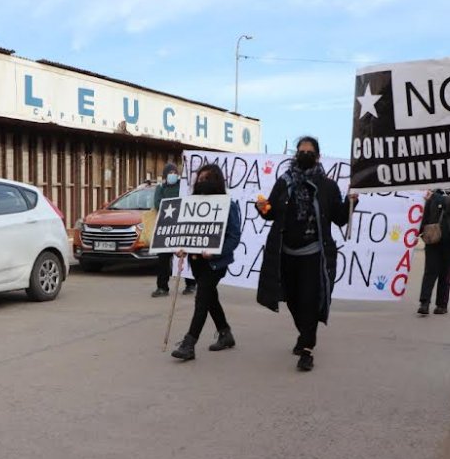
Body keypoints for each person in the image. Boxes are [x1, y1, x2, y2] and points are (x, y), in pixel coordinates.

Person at [255, 136, 357, 372]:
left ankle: (308, 348)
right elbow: (271, 211)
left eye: (309, 152)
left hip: (314, 254)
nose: (305, 155)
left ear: (318, 157)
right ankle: (304, 334)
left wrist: (352, 203)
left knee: (310, 300)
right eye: (301, 152)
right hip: (286, 253)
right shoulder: (284, 182)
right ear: (295, 155)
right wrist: (263, 209)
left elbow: (340, 218)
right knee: (291, 299)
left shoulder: (328, 186)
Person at [171, 164, 242, 361]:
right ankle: (225, 333)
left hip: (215, 263)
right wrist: (181, 247)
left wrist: (216, 251)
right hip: (197, 262)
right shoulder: (191, 205)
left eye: (207, 179)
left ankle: (189, 343)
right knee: (210, 297)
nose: (202, 183)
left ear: (217, 182)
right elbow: (186, 232)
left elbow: (234, 236)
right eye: (200, 179)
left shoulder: (228, 205)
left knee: (202, 299)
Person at [417, 187, 450, 315]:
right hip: (433, 238)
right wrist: (420, 232)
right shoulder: (435, 194)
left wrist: (436, 197)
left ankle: (442, 305)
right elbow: (426, 214)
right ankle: (424, 303)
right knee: (430, 271)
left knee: (445, 272)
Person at [152, 163, 196, 297]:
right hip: (166, 227)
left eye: (174, 172)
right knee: (163, 257)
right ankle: (162, 287)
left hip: (183, 226)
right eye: (169, 173)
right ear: (165, 176)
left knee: (186, 255)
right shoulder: (161, 188)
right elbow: (158, 203)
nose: (172, 175)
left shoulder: (183, 187)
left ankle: (191, 284)